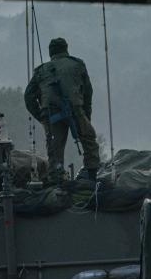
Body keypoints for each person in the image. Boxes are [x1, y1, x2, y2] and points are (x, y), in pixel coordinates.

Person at [24, 37, 100, 182]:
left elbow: (28, 96)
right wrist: (86, 115)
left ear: (51, 53)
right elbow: (88, 92)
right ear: (66, 49)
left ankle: (56, 180)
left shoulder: (41, 70)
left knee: (55, 150)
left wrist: (41, 117)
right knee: (89, 140)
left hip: (51, 114)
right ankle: (91, 176)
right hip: (75, 110)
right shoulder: (77, 64)